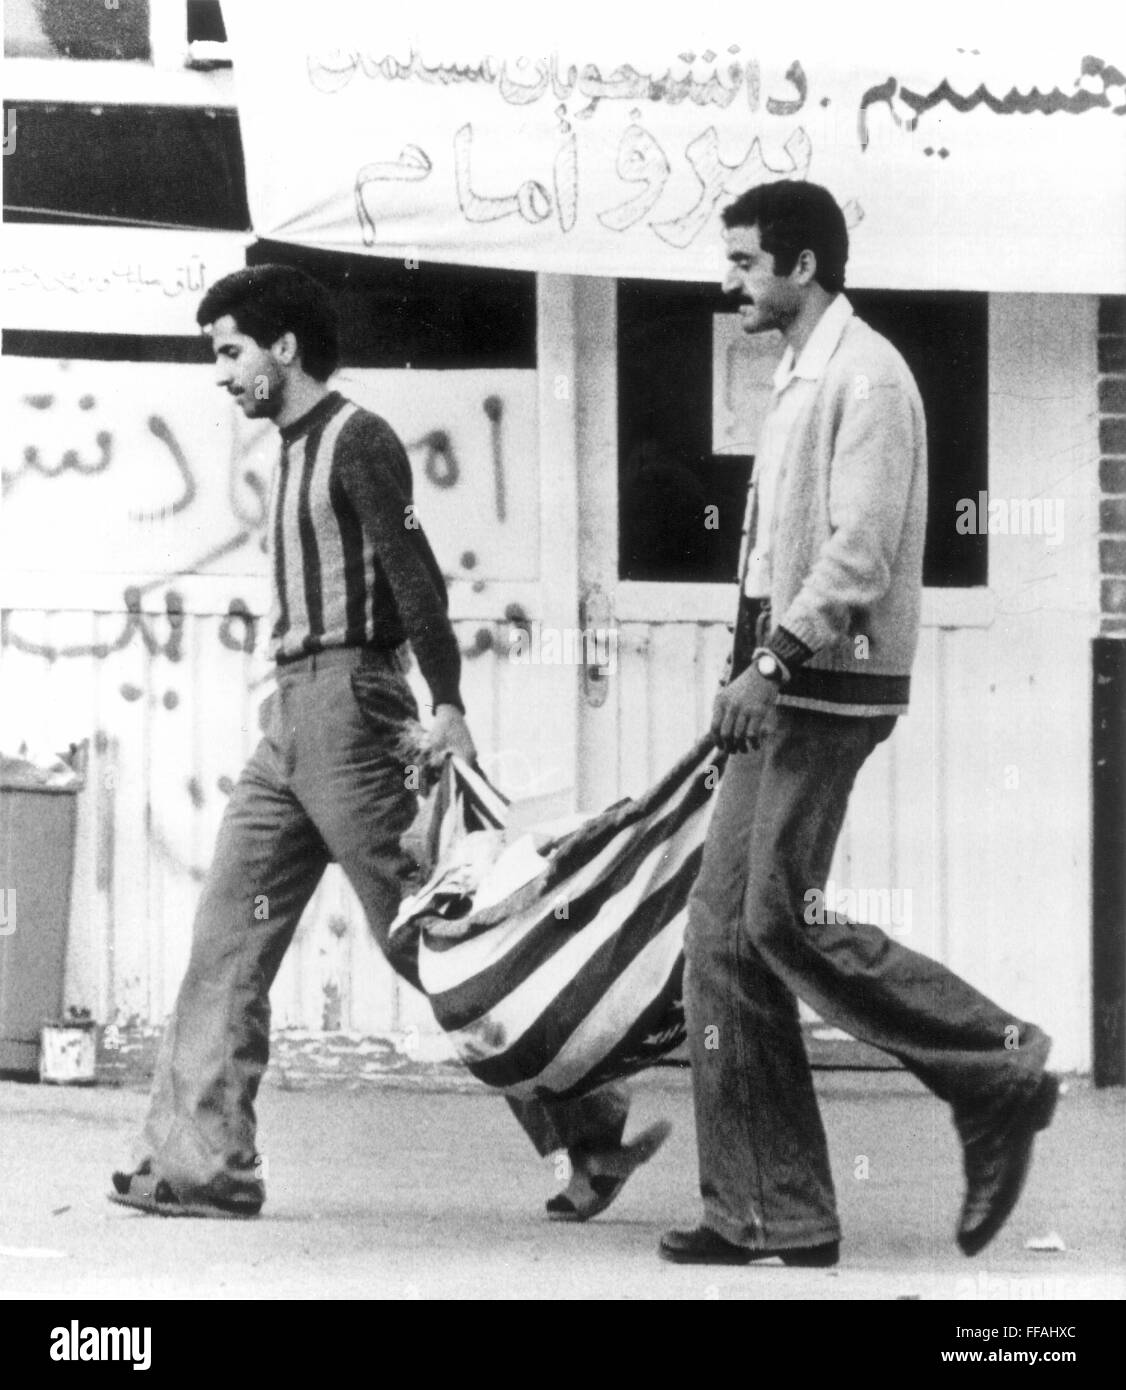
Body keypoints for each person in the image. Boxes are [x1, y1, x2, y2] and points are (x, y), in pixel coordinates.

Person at [109, 264, 667, 1219]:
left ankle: (592, 1126)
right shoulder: (291, 448)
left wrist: (447, 705)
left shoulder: (357, 440)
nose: (223, 372)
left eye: (231, 351)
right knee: (225, 937)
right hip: (290, 715)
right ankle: (201, 1166)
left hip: (352, 713)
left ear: (284, 348)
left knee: (434, 942)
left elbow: (416, 576)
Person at [660, 182, 1058, 1267]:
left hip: (825, 686)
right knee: (720, 943)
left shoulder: (865, 376)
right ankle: (770, 1213)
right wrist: (750, 663)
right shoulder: (800, 373)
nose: (729, 279)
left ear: (799, 265)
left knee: (773, 922)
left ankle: (1000, 1063)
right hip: (781, 684)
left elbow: (860, 550)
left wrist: (773, 660)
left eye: (743, 262)